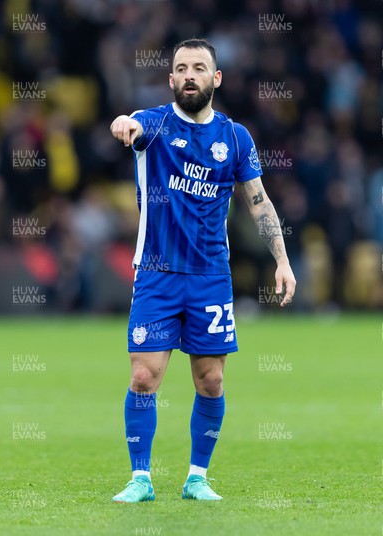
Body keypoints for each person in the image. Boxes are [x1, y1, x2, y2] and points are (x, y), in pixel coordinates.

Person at [110, 38, 296, 503]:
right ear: (171, 78)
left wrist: (283, 260)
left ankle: (197, 477)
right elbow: (130, 123)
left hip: (211, 275)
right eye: (180, 68)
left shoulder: (235, 137)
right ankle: (140, 478)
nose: (188, 74)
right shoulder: (154, 125)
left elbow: (258, 201)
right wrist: (122, 124)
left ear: (216, 78)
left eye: (198, 67)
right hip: (157, 271)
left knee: (210, 380)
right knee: (143, 377)